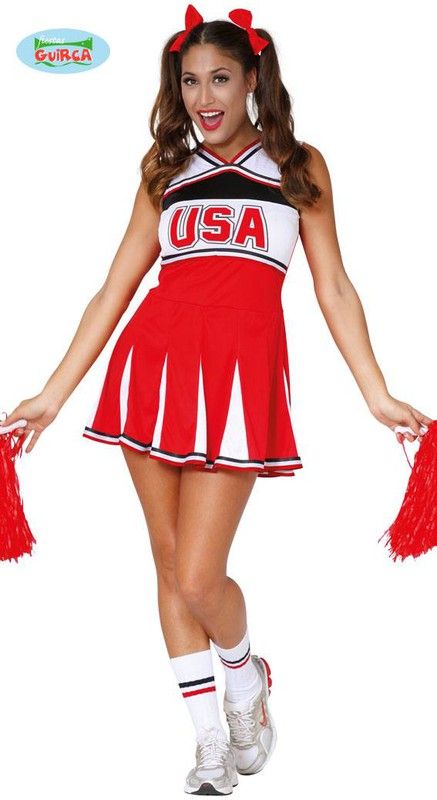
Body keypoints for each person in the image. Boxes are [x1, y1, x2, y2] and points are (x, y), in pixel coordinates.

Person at [1, 4, 433, 795]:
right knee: (169, 568)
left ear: (253, 78)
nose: (204, 97)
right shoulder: (163, 168)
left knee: (201, 577)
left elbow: (333, 286)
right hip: (151, 372)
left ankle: (246, 680)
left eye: (221, 79)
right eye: (190, 81)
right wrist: (52, 394)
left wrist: (374, 389)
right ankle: (208, 741)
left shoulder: (296, 164)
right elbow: (114, 287)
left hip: (237, 383)